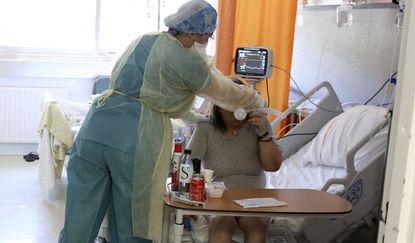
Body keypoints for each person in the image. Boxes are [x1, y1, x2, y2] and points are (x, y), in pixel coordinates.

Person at [57, 1, 265, 243]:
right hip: (134, 137)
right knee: (133, 217)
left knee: (80, 214)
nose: (207, 40)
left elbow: (155, 92)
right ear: (192, 31)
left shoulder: (145, 40)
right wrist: (256, 101)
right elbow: (224, 91)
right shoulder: (186, 59)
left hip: (96, 127)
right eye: (207, 35)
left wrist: (193, 117)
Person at [187, 77, 283, 243]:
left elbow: (273, 166)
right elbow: (188, 165)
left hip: (254, 196)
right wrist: (190, 199)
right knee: (221, 229)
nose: (236, 109)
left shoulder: (260, 125)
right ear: (218, 106)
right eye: (230, 103)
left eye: (241, 102)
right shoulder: (206, 128)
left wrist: (264, 135)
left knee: (256, 229)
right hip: (219, 196)